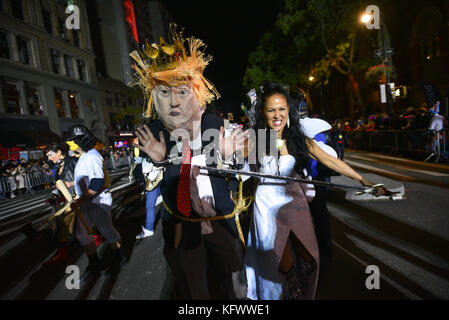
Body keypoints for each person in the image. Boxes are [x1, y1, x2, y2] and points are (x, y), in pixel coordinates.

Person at [130, 24, 250, 299]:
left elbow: (246, 176)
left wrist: (231, 158)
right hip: (183, 228)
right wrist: (158, 162)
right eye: (163, 92)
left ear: (201, 100)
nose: (173, 101)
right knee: (194, 289)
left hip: (220, 220)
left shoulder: (219, 129)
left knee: (235, 287)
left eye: (182, 92)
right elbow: (143, 181)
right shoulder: (153, 137)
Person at [244, 82, 388, 300]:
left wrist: (363, 180)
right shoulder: (255, 140)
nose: (277, 115)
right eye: (271, 110)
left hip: (294, 201)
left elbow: (330, 160)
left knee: (309, 258)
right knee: (282, 263)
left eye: (281, 109)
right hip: (268, 208)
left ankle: (304, 293)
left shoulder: (299, 139)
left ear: (288, 110)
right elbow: (225, 156)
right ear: (263, 113)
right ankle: (289, 294)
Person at [66, 125, 126, 283]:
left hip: (97, 201)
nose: (68, 143)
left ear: (80, 140)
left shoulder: (92, 156)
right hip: (86, 202)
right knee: (82, 234)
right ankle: (94, 264)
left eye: (71, 141)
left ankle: (119, 259)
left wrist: (81, 199)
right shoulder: (84, 157)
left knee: (107, 231)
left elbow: (97, 181)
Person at [43, 142, 78, 264]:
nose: (49, 158)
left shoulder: (73, 161)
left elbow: (86, 177)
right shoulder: (57, 166)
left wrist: (71, 184)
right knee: (70, 226)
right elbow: (59, 184)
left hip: (77, 197)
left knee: (64, 226)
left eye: (50, 155)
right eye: (47, 156)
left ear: (58, 152)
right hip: (67, 198)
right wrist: (54, 195)